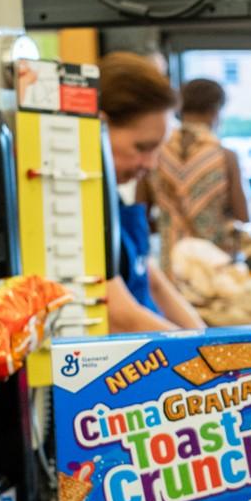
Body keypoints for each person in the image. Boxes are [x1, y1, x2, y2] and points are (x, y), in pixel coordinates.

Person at [98, 52, 205, 333]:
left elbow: (153, 281)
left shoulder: (114, 197)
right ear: (98, 126)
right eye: (142, 148)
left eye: (157, 149)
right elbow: (119, 314)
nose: (151, 164)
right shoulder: (75, 207)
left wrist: (206, 338)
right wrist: (202, 352)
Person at [145, 78, 250, 272]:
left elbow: (141, 213)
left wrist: (170, 222)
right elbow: (243, 215)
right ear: (215, 111)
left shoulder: (155, 153)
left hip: (172, 269)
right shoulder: (224, 156)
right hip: (214, 266)